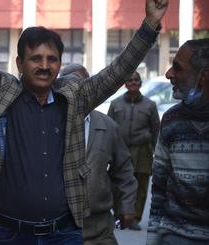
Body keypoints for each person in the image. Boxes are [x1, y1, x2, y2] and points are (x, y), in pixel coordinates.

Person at [0, 0, 168, 244]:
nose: (44, 66)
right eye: (36, 59)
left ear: (60, 64)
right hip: (11, 233)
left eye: (51, 59)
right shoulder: (0, 93)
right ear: (20, 63)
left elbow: (118, 71)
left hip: (64, 232)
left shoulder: (75, 97)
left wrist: (150, 25)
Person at [60, 64, 137, 245]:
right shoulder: (49, 123)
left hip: (99, 227)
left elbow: (124, 169)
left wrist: (126, 206)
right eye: (71, 85)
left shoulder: (107, 126)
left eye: (83, 84)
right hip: (59, 226)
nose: (78, 90)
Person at [147, 38, 209, 245]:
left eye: (178, 68)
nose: (169, 74)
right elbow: (158, 186)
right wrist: (153, 238)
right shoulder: (171, 119)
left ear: (204, 76)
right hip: (173, 237)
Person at [107, 71, 160, 231]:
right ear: (125, 83)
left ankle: (134, 218)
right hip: (120, 150)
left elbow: (156, 129)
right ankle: (118, 215)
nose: (133, 83)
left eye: (136, 80)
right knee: (118, 184)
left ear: (141, 83)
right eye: (130, 80)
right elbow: (109, 128)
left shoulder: (150, 105)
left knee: (140, 185)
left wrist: (156, 152)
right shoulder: (115, 104)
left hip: (142, 151)